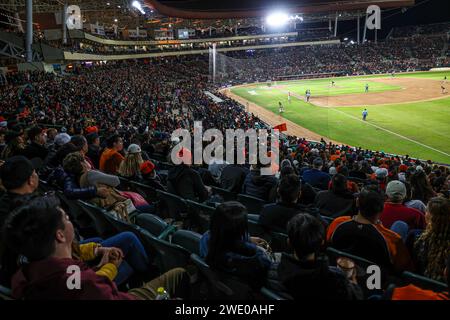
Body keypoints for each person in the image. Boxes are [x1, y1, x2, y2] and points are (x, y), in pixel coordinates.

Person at [3, 196, 191, 300]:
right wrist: (107, 269)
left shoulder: (23, 275)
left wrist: (98, 266)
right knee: (180, 273)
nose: (71, 222)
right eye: (66, 219)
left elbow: (73, 282)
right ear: (59, 235)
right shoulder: (85, 284)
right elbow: (84, 286)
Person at [268, 214, 363, 300]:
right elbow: (357, 296)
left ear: (289, 242)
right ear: (321, 243)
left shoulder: (270, 270)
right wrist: (353, 281)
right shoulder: (337, 280)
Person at [326, 188, 414, 272]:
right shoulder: (392, 239)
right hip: (374, 285)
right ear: (383, 207)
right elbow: (404, 270)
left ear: (357, 202)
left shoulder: (337, 224)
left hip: (339, 276)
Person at [200, 201, 272, 296]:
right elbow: (265, 269)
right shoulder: (257, 256)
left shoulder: (204, 238)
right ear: (240, 231)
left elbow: (224, 239)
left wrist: (248, 239)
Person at [414, 197, 449, 283]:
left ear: (431, 217)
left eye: (426, 211)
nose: (425, 213)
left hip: (421, 285)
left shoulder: (419, 239)